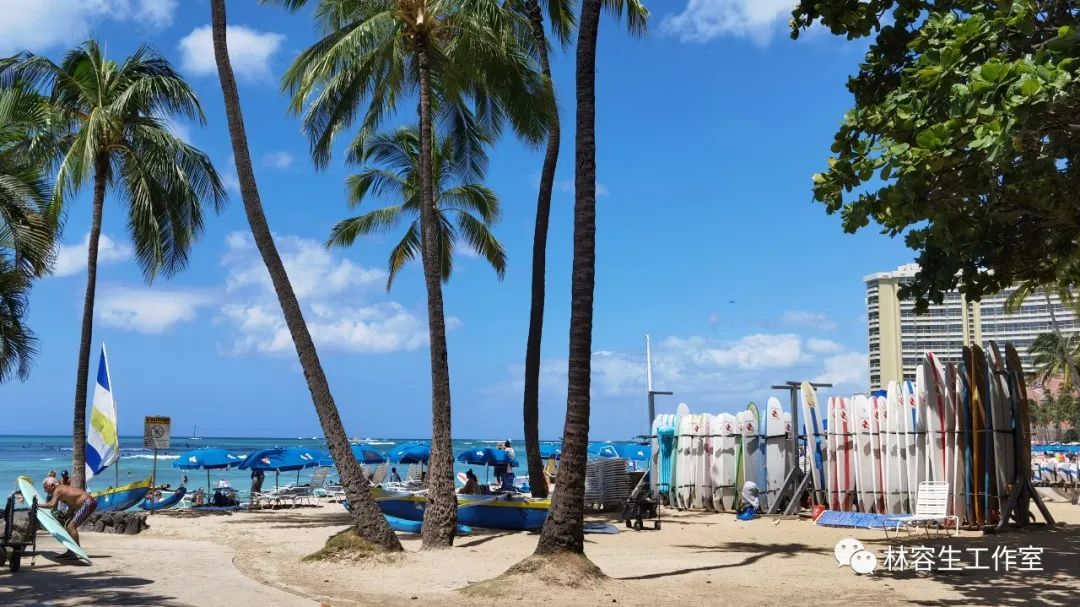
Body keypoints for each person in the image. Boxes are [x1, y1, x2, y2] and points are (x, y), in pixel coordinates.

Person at [41, 477, 96, 559]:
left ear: (52, 485)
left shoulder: (58, 490)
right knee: (68, 526)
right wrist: (67, 516)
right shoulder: (61, 490)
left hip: (87, 503)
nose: (45, 491)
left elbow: (51, 504)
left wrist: (37, 505)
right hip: (86, 504)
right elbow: (72, 503)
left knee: (71, 526)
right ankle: (70, 551)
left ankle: (77, 552)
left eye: (46, 487)